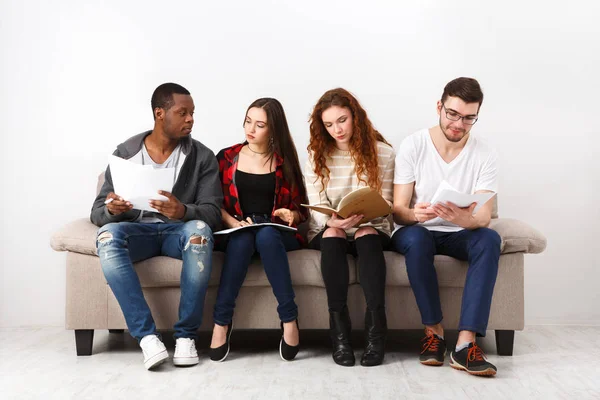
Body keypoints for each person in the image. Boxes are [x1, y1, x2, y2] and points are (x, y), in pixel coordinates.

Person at [90, 83, 223, 370]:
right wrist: (113, 210)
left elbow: (213, 213)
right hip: (138, 232)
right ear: (159, 113)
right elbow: (97, 212)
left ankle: (186, 336)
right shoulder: (125, 153)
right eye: (182, 112)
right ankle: (148, 337)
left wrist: (183, 210)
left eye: (192, 113)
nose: (191, 119)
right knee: (106, 237)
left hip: (179, 233)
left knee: (200, 231)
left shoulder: (202, 156)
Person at [391, 77, 500, 376]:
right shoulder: (414, 144)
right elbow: (398, 210)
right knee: (417, 240)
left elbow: (483, 217)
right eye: (452, 114)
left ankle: (465, 346)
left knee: (489, 240)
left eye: (468, 118)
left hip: (457, 232)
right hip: (417, 230)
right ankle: (434, 333)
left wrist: (460, 218)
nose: (458, 124)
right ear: (439, 107)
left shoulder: (484, 153)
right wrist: (416, 214)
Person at [208, 98, 308, 362]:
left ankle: (289, 318)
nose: (250, 129)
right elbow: (211, 202)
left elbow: (303, 209)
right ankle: (221, 322)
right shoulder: (226, 157)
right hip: (237, 229)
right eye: (248, 121)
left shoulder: (284, 162)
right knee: (243, 240)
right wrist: (232, 221)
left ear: (273, 129)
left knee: (265, 234)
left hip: (275, 232)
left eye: (260, 124)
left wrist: (291, 213)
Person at [305, 88, 395, 367]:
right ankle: (339, 334)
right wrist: (332, 221)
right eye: (329, 124)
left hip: (371, 224)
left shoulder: (384, 154)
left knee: (367, 235)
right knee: (333, 235)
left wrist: (367, 216)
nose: (337, 130)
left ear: (355, 117)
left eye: (342, 120)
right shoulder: (316, 154)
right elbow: (316, 204)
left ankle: (375, 332)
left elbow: (388, 203)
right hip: (332, 226)